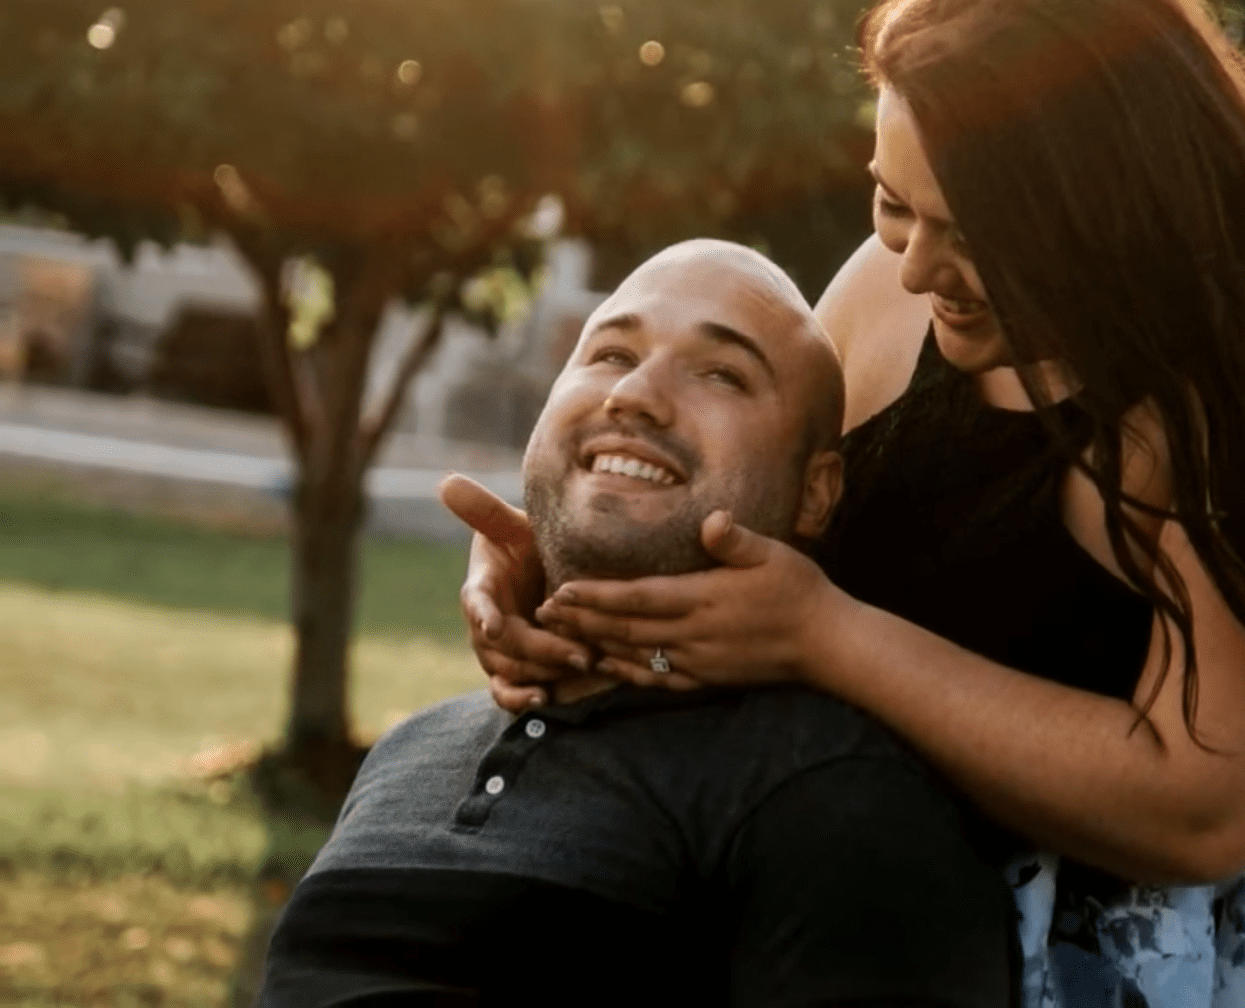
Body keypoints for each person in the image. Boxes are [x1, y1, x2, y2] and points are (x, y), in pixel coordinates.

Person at [444, 0, 1245, 1007]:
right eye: (891, 202)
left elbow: (1204, 803)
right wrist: (550, 563)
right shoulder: (895, 288)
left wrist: (826, 637)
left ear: (1112, 204)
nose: (915, 265)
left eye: (970, 231)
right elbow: (759, 511)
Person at [260, 240, 1016, 1008]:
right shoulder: (407, 750)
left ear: (815, 494)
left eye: (722, 373)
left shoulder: (832, 792)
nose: (636, 395)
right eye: (612, 352)